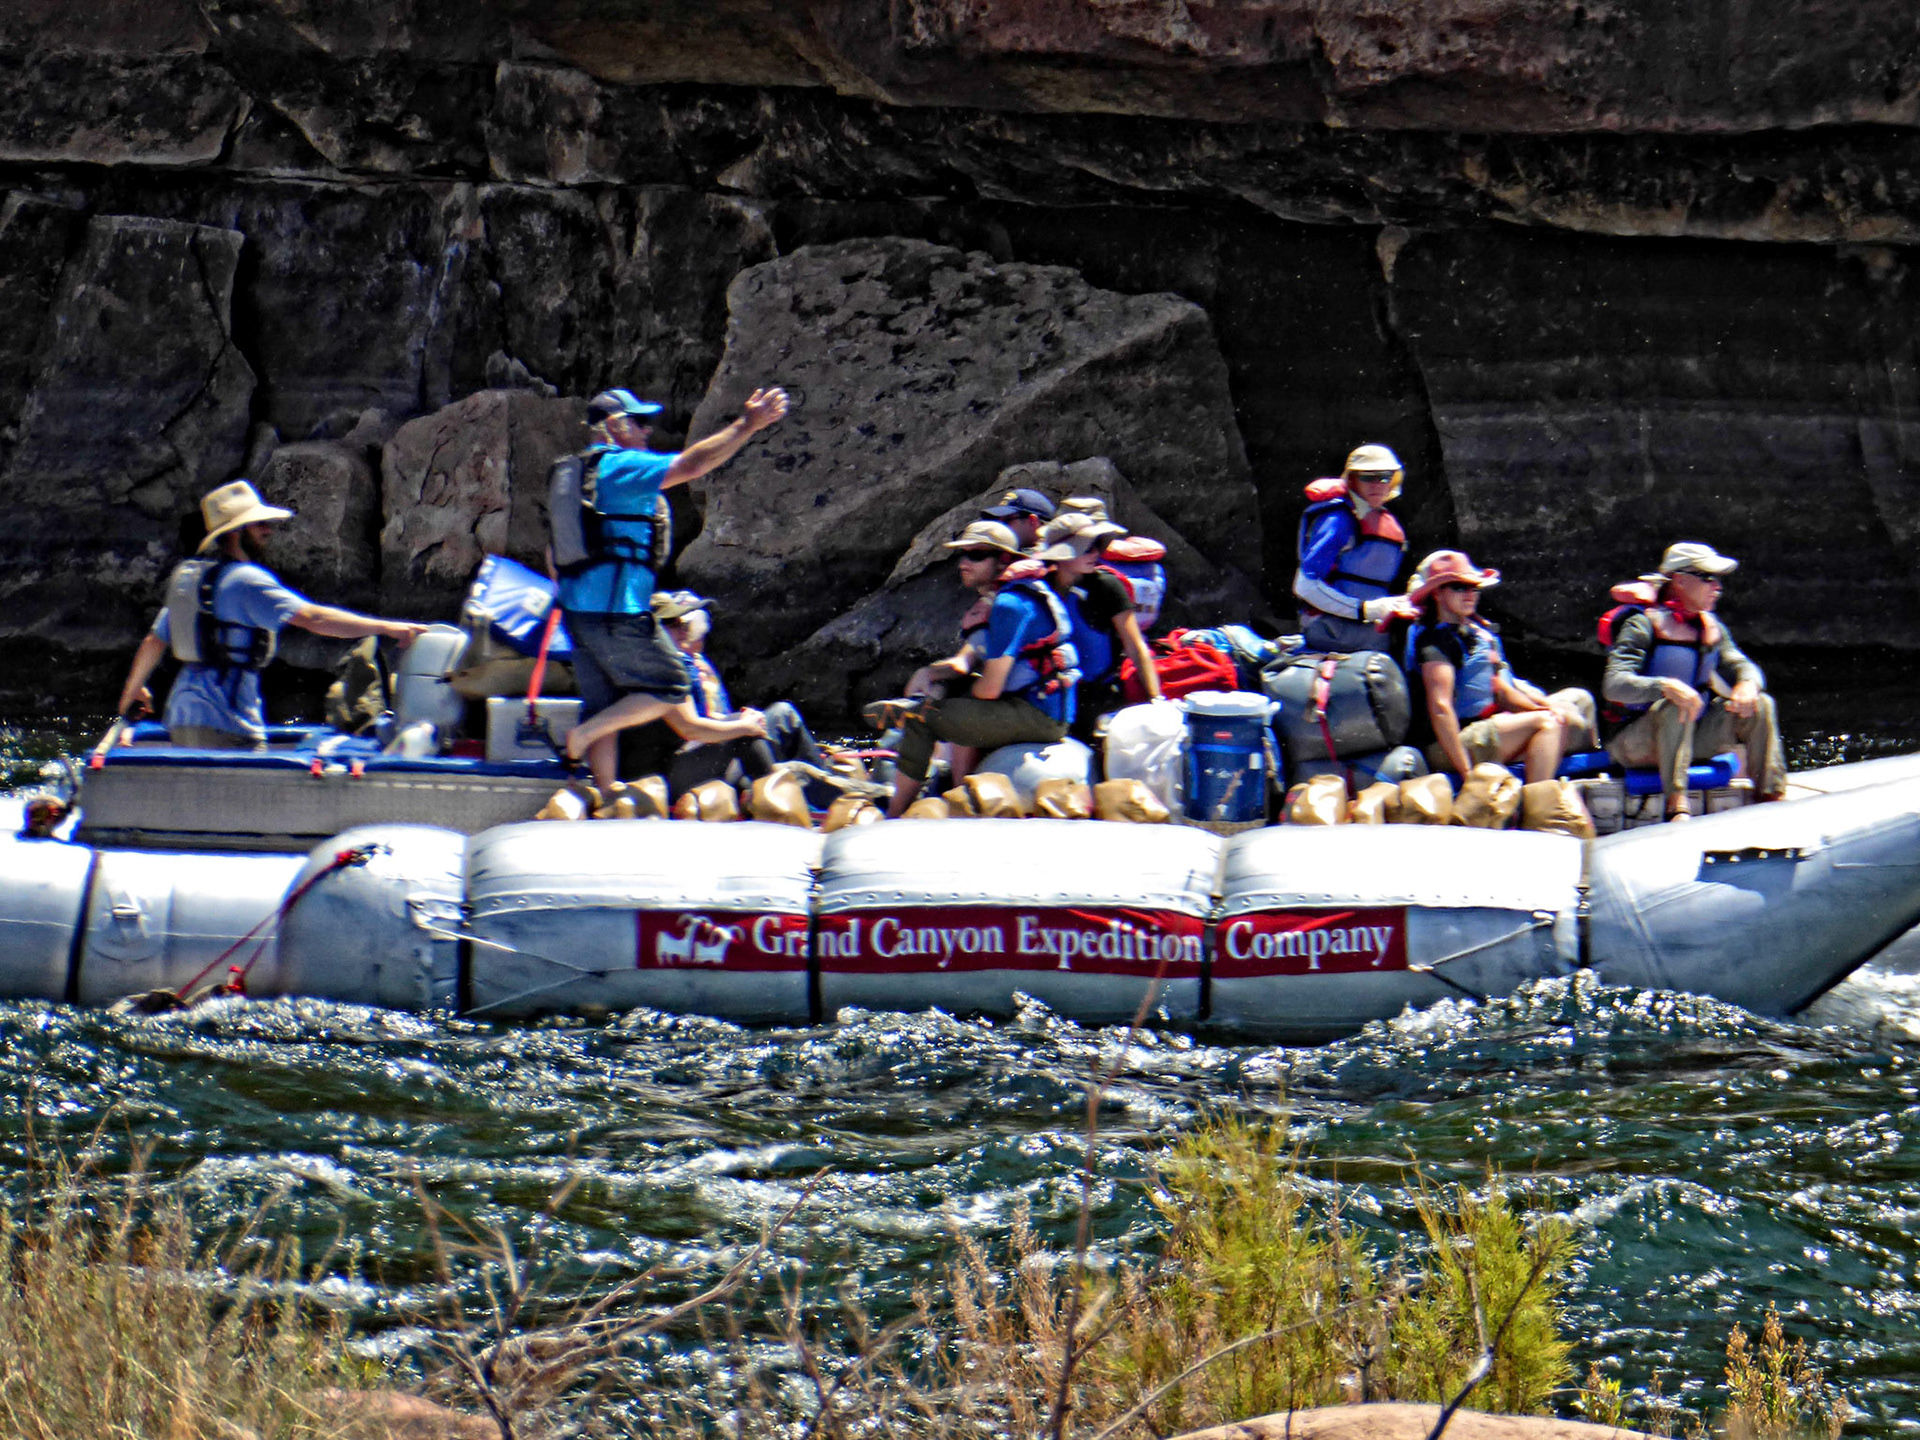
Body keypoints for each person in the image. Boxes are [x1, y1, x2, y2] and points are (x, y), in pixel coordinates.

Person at [557, 385, 788, 791]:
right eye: (641, 423)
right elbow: (692, 465)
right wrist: (747, 424)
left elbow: (552, 549)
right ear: (616, 425)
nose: (648, 432)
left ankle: (608, 791)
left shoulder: (569, 473)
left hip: (577, 612)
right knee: (670, 686)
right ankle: (580, 738)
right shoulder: (621, 467)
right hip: (618, 612)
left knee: (604, 706)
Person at [115, 481, 430, 749]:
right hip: (228, 722)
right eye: (259, 524)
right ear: (236, 532)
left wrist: (131, 694)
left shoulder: (189, 579)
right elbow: (314, 618)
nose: (268, 530)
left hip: (181, 717)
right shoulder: (248, 582)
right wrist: (389, 627)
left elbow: (154, 640)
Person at [884, 523, 1080, 816]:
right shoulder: (1011, 596)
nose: (964, 563)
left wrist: (954, 699)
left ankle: (894, 815)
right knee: (956, 698)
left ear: (1003, 560)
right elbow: (970, 662)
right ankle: (960, 791)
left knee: (921, 718)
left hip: (1038, 716)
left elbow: (989, 690)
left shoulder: (1009, 605)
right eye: (963, 555)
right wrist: (931, 674)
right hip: (1046, 708)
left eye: (976, 555)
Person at [1602, 542, 1785, 820]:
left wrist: (1747, 684)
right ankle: (1677, 806)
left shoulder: (1709, 626)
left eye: (1718, 580)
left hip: (1690, 737)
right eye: (1707, 578)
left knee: (1761, 704)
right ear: (1680, 580)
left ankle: (1770, 795)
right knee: (1676, 705)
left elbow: (1741, 664)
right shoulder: (1640, 624)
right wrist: (1665, 687)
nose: (1717, 587)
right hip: (1634, 744)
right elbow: (1614, 684)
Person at [1402, 550, 1596, 784]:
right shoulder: (1435, 641)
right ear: (1437, 594)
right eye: (1458, 587)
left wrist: (1543, 706)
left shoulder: (1474, 634)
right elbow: (1440, 708)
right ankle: (1539, 805)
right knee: (1548, 724)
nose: (1469, 594)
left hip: (1487, 731)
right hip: (1452, 743)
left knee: (1578, 701)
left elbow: (1502, 692)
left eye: (1473, 588)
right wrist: (1467, 773)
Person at [652, 589, 828, 797]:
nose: (684, 630)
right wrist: (743, 726)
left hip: (696, 755)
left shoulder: (687, 664)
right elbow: (690, 729)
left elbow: (700, 718)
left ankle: (822, 793)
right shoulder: (660, 669)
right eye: (672, 625)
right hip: (670, 774)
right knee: (744, 733)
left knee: (781, 714)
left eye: (683, 623)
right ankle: (775, 801)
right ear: (654, 630)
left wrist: (748, 719)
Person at [1035, 509, 1162, 738]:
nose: (1095, 553)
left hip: (1099, 699)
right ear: (1062, 555)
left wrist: (1156, 699)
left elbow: (1136, 647)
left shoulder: (1106, 586)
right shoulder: (1040, 587)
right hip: (1051, 695)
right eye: (1086, 547)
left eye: (1096, 545)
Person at [1293, 443, 1419, 653]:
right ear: (1352, 480)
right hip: (1331, 632)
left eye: (1385, 477)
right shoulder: (1338, 519)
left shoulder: (1385, 521)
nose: (1377, 484)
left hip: (1371, 634)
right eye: (1368, 477)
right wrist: (1365, 610)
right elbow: (1304, 586)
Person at [981, 487, 1056, 550]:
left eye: (1006, 521)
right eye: (997, 522)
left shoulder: (1056, 560)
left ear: (1033, 521)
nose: (1000, 527)